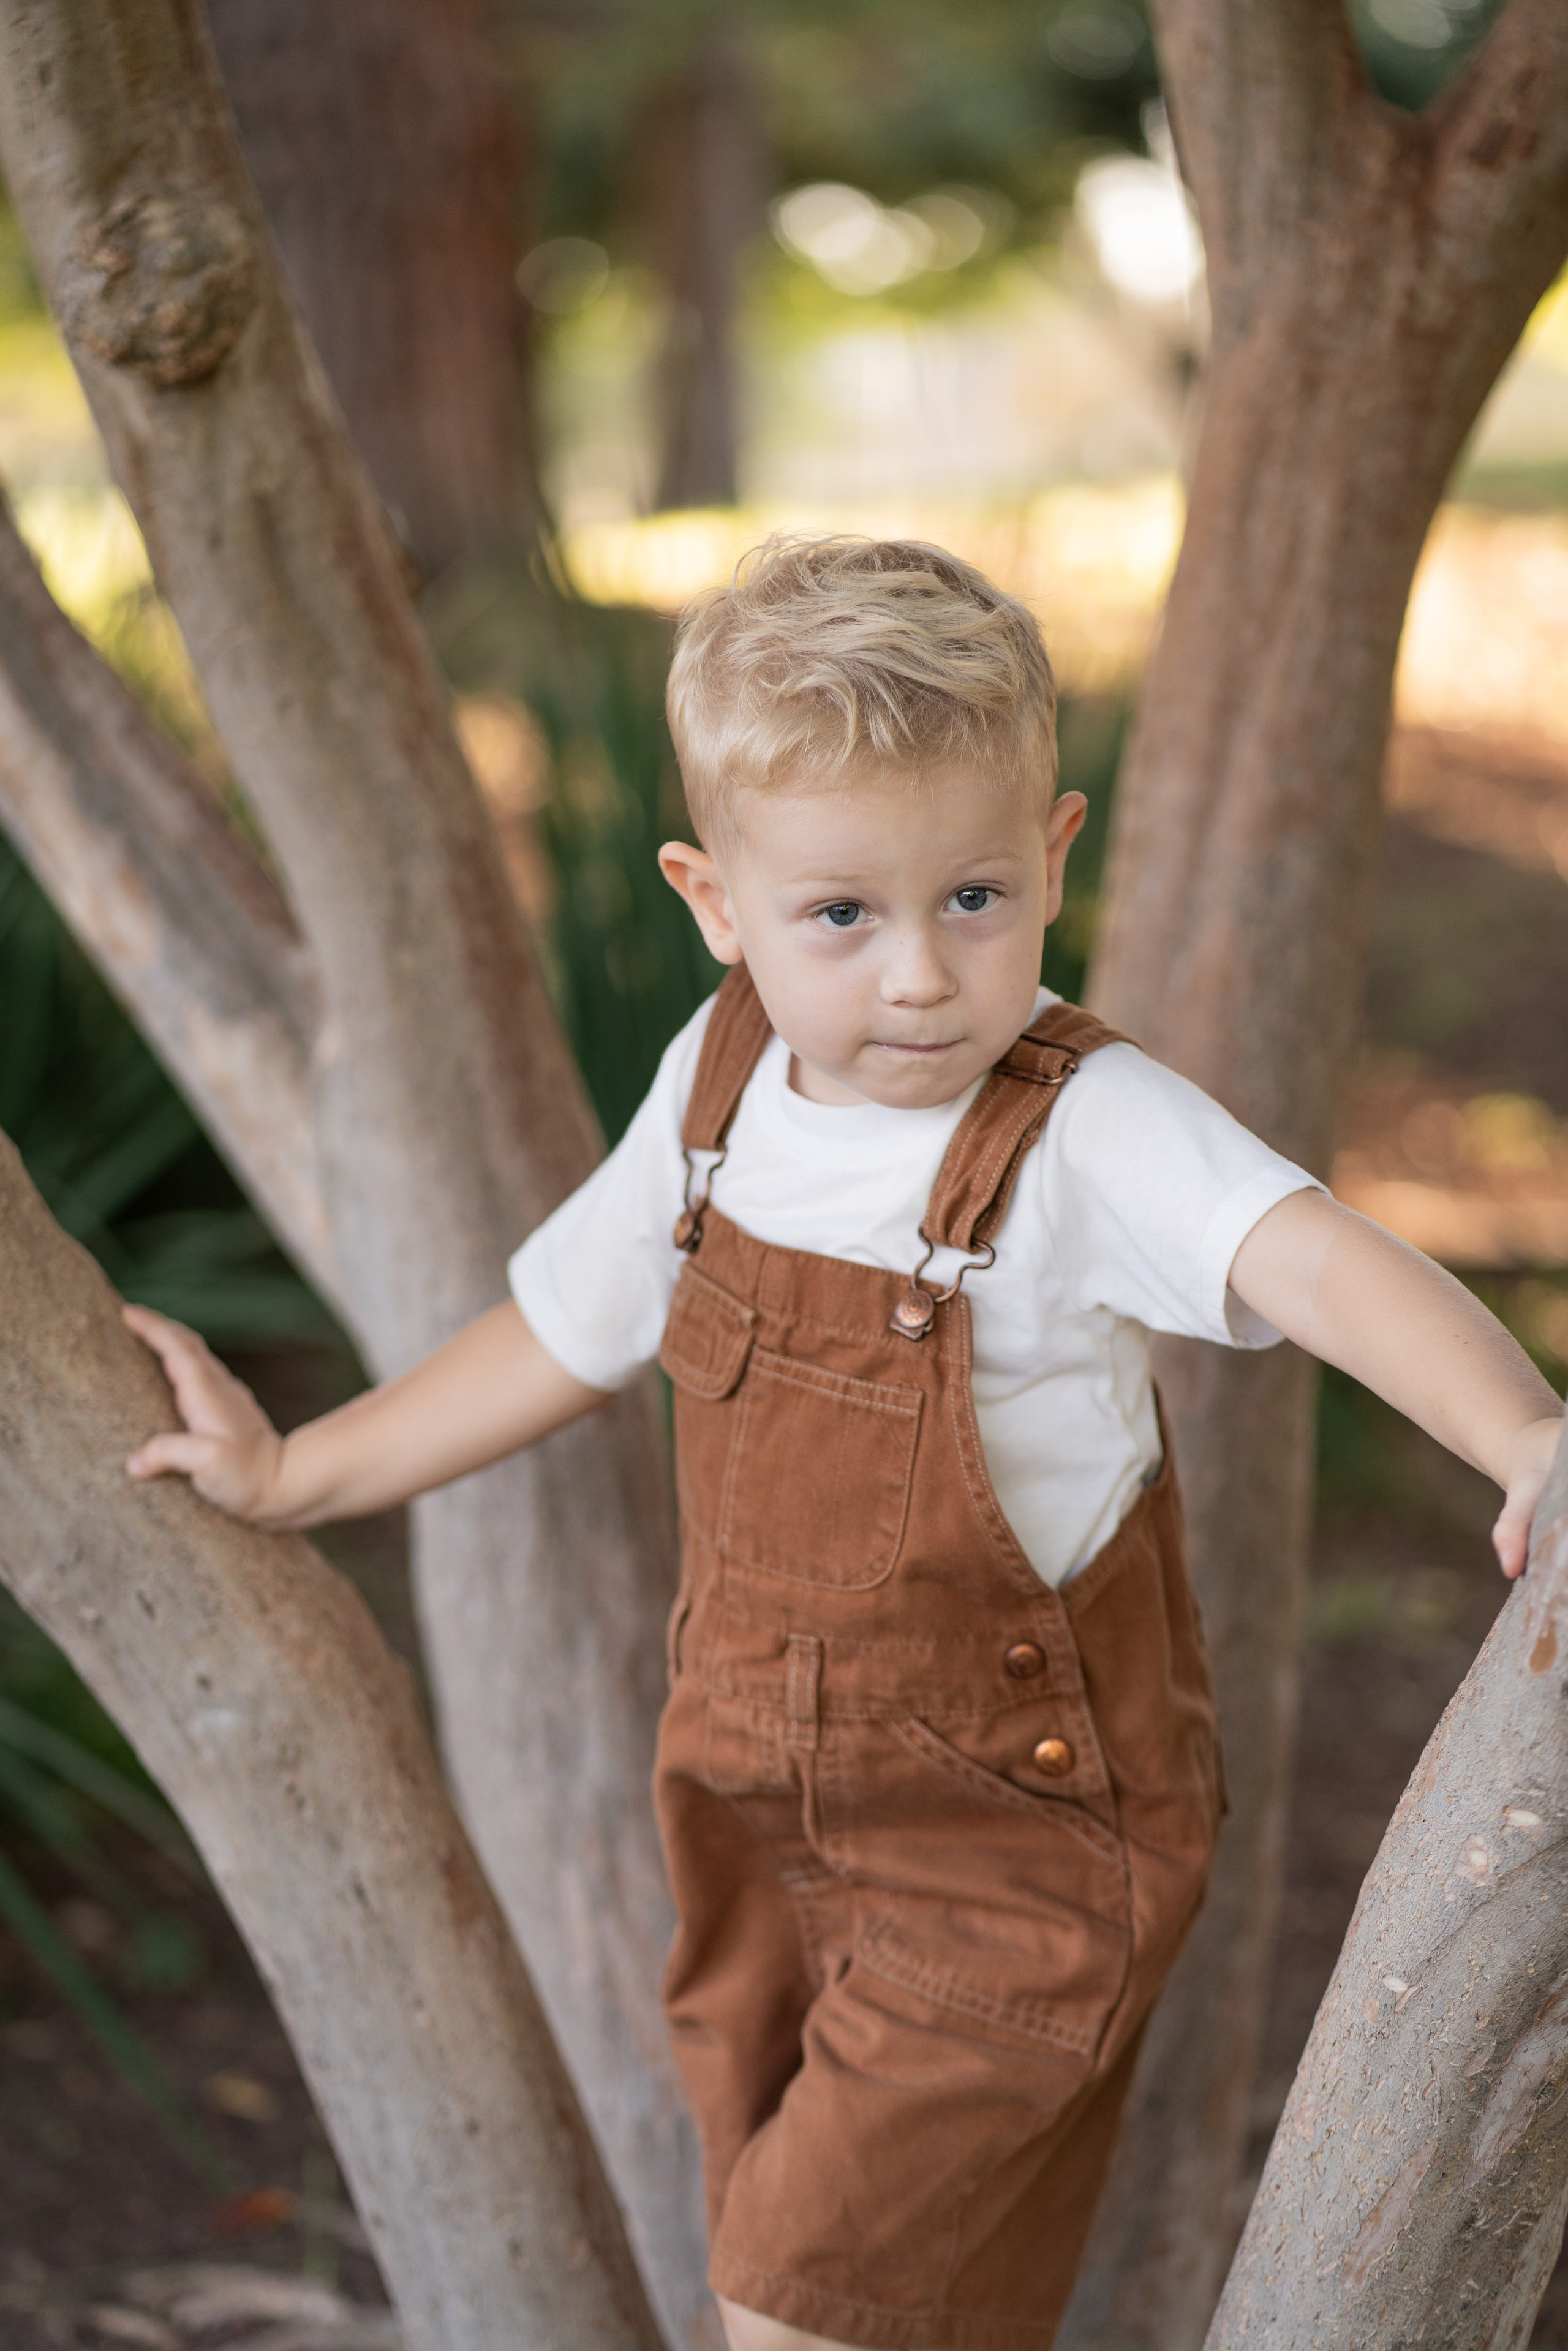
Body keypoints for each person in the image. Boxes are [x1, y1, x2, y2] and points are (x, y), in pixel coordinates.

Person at [124, 537, 1563, 2351]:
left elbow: (1323, 1262)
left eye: (972, 897)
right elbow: (567, 1330)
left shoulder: (1087, 1128)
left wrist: (1525, 1437)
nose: (917, 978)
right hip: (750, 1818)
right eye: (840, 917)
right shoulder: (716, 1095)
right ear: (712, 899)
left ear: (1053, 852)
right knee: (873, 2300)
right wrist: (295, 1477)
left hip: (1016, 1849)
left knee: (795, 2304)